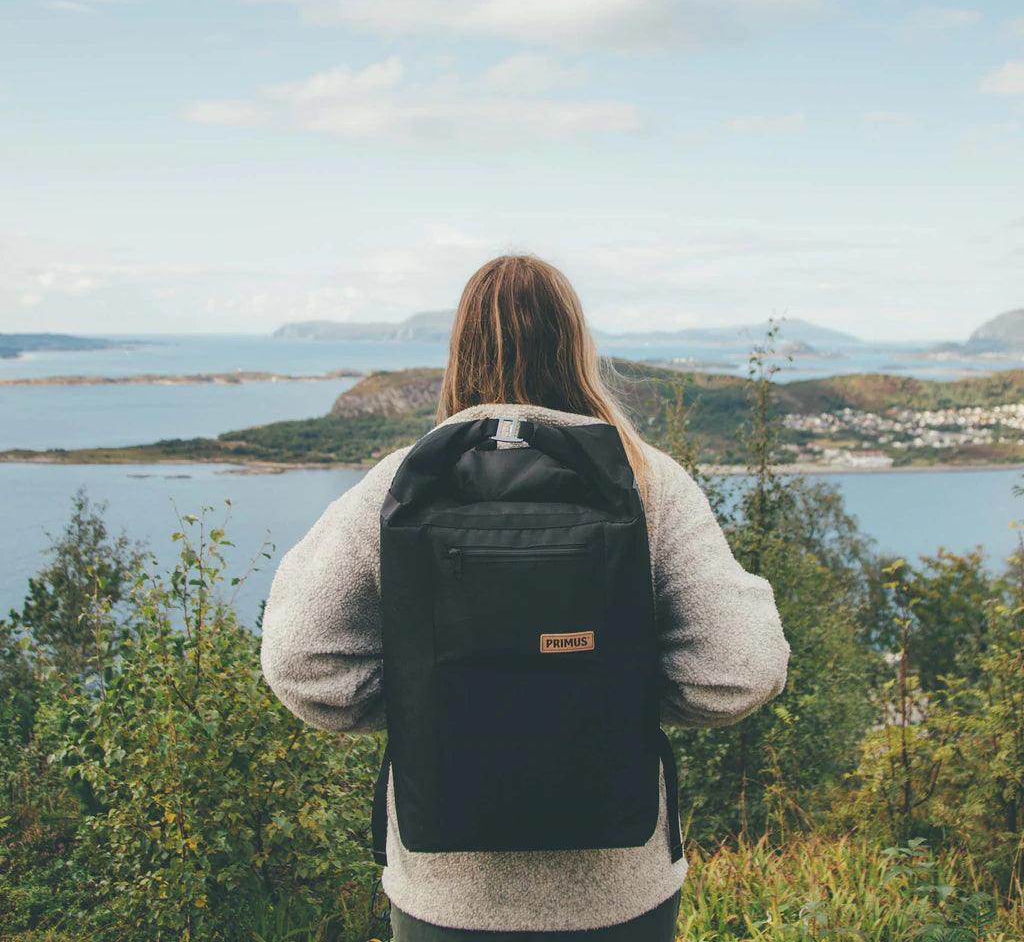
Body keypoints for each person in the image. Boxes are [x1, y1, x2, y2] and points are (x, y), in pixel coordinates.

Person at [261, 255, 790, 941]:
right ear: (576, 344)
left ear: (460, 348)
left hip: (445, 902)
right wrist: (598, 697)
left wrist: (443, 698)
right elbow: (742, 668)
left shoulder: (404, 484)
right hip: (619, 899)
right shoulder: (644, 480)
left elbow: (301, 662)